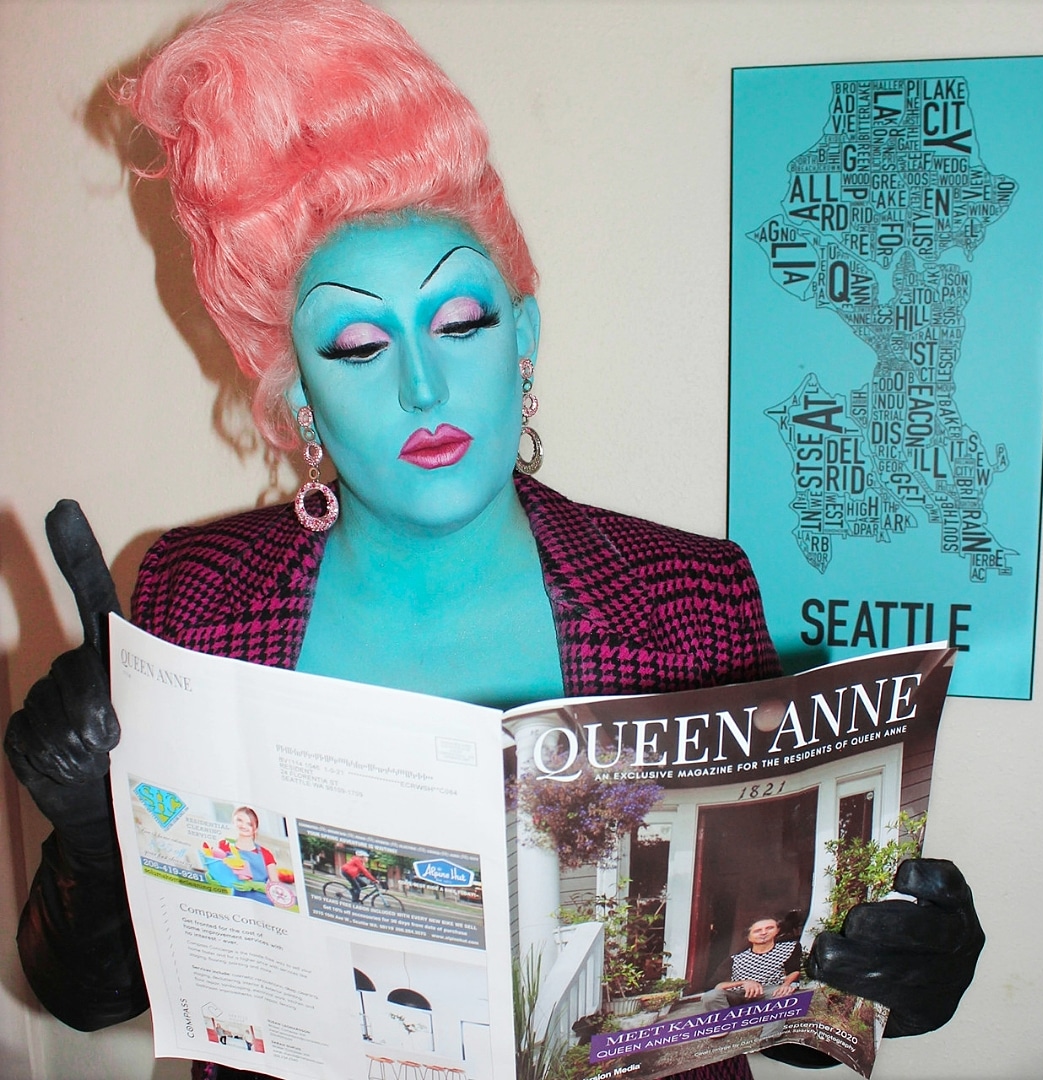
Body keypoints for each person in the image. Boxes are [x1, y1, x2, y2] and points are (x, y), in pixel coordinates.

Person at [3, 2, 984, 1079]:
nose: (424, 386)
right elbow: (97, 997)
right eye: (359, 344)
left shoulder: (690, 599)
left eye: (461, 324)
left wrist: (884, 972)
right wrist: (89, 844)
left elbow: (755, 1001)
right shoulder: (197, 600)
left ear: (524, 337)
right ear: (297, 399)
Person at [701, 917, 801, 1040]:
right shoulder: (737, 957)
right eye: (758, 930)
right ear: (749, 937)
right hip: (739, 994)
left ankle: (768, 1038)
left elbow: (794, 971)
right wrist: (744, 982)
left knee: (781, 997)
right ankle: (721, 1025)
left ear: (777, 930)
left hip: (769, 991)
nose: (764, 933)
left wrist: (786, 985)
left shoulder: (789, 948)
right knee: (710, 996)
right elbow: (714, 986)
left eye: (769, 928)